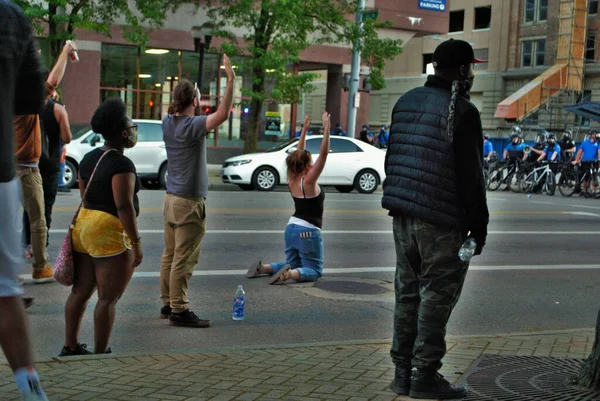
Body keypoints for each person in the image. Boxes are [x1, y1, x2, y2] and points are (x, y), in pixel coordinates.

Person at [382, 39, 489, 400]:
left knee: (407, 294)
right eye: (471, 67)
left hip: (403, 218)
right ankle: (425, 375)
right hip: (441, 222)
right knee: (435, 298)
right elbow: (472, 178)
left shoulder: (406, 101)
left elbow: (393, 158)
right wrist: (480, 226)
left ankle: (402, 373)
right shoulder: (463, 110)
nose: (473, 73)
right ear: (461, 71)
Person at [61, 98, 142, 356]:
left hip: (84, 228)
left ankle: (70, 346)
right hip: (108, 233)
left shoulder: (88, 158)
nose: (133, 130)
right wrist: (137, 244)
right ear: (122, 132)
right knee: (107, 299)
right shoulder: (122, 164)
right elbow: (124, 207)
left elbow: (86, 196)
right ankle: (100, 354)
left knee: (80, 291)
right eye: (131, 125)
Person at [160, 55, 235, 328]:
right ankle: (179, 310)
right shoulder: (192, 127)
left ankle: (168, 303)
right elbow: (223, 115)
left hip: (170, 200)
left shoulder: (168, 122)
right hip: (189, 203)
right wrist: (230, 82)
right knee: (184, 257)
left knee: (169, 255)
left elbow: (188, 108)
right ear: (194, 101)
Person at [1, 1, 50, 399]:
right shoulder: (10, 17)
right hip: (1, 172)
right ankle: (31, 391)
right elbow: (32, 97)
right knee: (4, 290)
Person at [14, 39, 76, 283]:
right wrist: (65, 50)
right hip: (28, 169)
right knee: (38, 220)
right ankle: (40, 266)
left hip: (6, 168)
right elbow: (52, 82)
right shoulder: (27, 98)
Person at [246, 112, 330, 284]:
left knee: (292, 263)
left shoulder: (292, 180)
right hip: (308, 231)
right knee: (314, 270)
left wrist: (304, 130)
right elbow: (323, 155)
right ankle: (288, 275)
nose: (314, 164)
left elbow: (299, 153)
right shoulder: (308, 181)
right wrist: (326, 129)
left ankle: (264, 268)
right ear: (307, 167)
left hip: (291, 229)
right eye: (311, 163)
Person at [22, 91, 73, 257]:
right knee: (46, 208)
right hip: (50, 164)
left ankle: (28, 245)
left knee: (29, 207)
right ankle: (41, 246)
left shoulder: (26, 106)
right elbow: (67, 137)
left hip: (29, 162)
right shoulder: (57, 110)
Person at [572, 130, 600, 197]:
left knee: (594, 176)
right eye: (593, 134)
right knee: (586, 177)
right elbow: (580, 152)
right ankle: (585, 191)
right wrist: (577, 160)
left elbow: (599, 151)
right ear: (590, 135)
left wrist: (599, 159)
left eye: (595, 134)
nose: (594, 135)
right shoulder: (585, 142)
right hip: (585, 162)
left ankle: (594, 191)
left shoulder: (598, 143)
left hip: (594, 162)